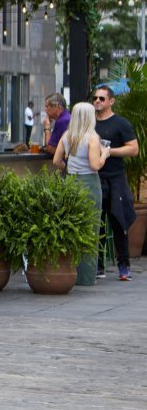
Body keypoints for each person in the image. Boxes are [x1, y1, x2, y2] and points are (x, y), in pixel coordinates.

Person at [52, 102, 108, 285]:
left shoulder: (67, 135)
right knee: (90, 230)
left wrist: (68, 168)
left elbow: (56, 161)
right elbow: (95, 165)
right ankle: (85, 277)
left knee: (73, 228)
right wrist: (105, 154)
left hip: (71, 183)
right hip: (89, 184)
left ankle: (70, 272)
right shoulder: (92, 138)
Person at [94, 85, 139, 281]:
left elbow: (133, 149)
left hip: (115, 178)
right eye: (95, 98)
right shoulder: (90, 124)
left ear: (111, 101)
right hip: (96, 177)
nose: (97, 101)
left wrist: (110, 151)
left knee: (119, 222)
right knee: (97, 223)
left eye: (102, 98)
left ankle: (124, 265)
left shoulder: (121, 124)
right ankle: (98, 266)